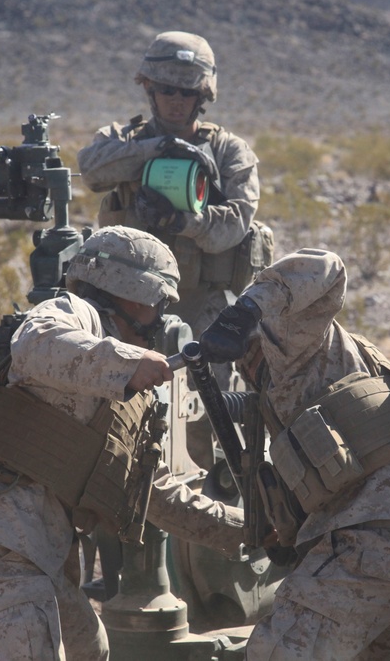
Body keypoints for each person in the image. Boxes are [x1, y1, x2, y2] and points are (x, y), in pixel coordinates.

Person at [0, 225, 245, 661]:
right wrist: (129, 361)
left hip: (36, 552)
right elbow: (33, 344)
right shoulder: (74, 314)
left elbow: (154, 492)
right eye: (159, 303)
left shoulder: (120, 381)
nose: (161, 318)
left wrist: (246, 531)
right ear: (134, 295)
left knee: (88, 649)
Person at [198, 248, 390, 660]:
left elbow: (327, 266)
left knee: (273, 652)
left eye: (244, 358)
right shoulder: (343, 362)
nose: (245, 370)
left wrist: (244, 311)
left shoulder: (293, 344)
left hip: (376, 546)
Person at [77, 30, 262, 469]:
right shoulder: (122, 140)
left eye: (187, 91)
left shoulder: (228, 150)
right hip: (123, 309)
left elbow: (237, 223)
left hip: (202, 309)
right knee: (111, 417)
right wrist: (154, 150)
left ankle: (208, 522)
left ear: (203, 95)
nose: (176, 100)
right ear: (148, 88)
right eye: (166, 90)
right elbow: (91, 168)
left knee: (205, 425)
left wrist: (184, 222)